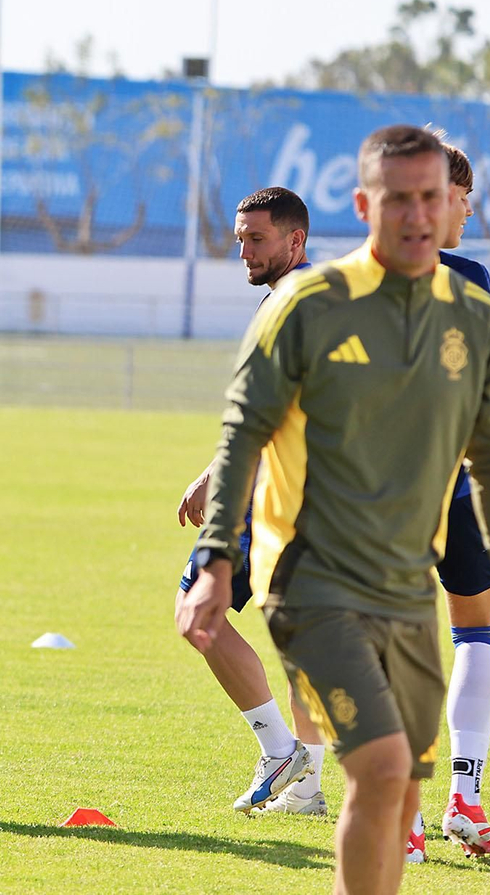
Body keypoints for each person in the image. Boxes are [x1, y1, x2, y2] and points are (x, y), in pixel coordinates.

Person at [179, 124, 490, 895]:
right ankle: (307, 766)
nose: (420, 214)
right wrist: (214, 566)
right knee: (380, 770)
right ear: (365, 205)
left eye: (433, 198)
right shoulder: (312, 302)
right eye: (399, 198)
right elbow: (244, 428)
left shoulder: (469, 310)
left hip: (404, 581)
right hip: (312, 572)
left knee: (394, 781)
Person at [402, 136, 490, 862]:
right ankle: (456, 797)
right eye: (465, 197)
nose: (468, 212)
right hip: (441, 485)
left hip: (406, 488)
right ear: (443, 195)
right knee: (469, 635)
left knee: (431, 639)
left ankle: (427, 808)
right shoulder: (463, 274)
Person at [175, 186, 327, 814]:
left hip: (285, 496)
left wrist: (220, 473)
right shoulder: (299, 296)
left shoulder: (299, 302)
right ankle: (310, 787)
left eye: (255, 239)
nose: (243, 250)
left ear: (296, 240)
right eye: (239, 238)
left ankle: (279, 750)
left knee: (196, 611)